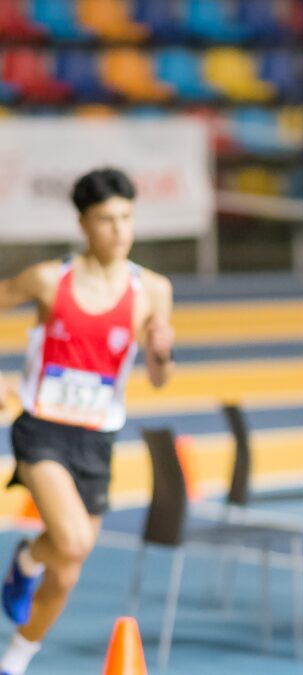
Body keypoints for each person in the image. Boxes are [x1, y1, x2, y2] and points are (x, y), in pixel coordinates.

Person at [0, 168, 175, 675]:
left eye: (126, 218)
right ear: (83, 224)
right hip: (42, 429)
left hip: (98, 437)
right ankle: (26, 562)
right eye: (106, 220)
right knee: (73, 540)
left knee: (68, 570)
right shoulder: (48, 280)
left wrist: (162, 352)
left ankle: (15, 657)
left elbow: (159, 379)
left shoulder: (152, 290)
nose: (119, 231)